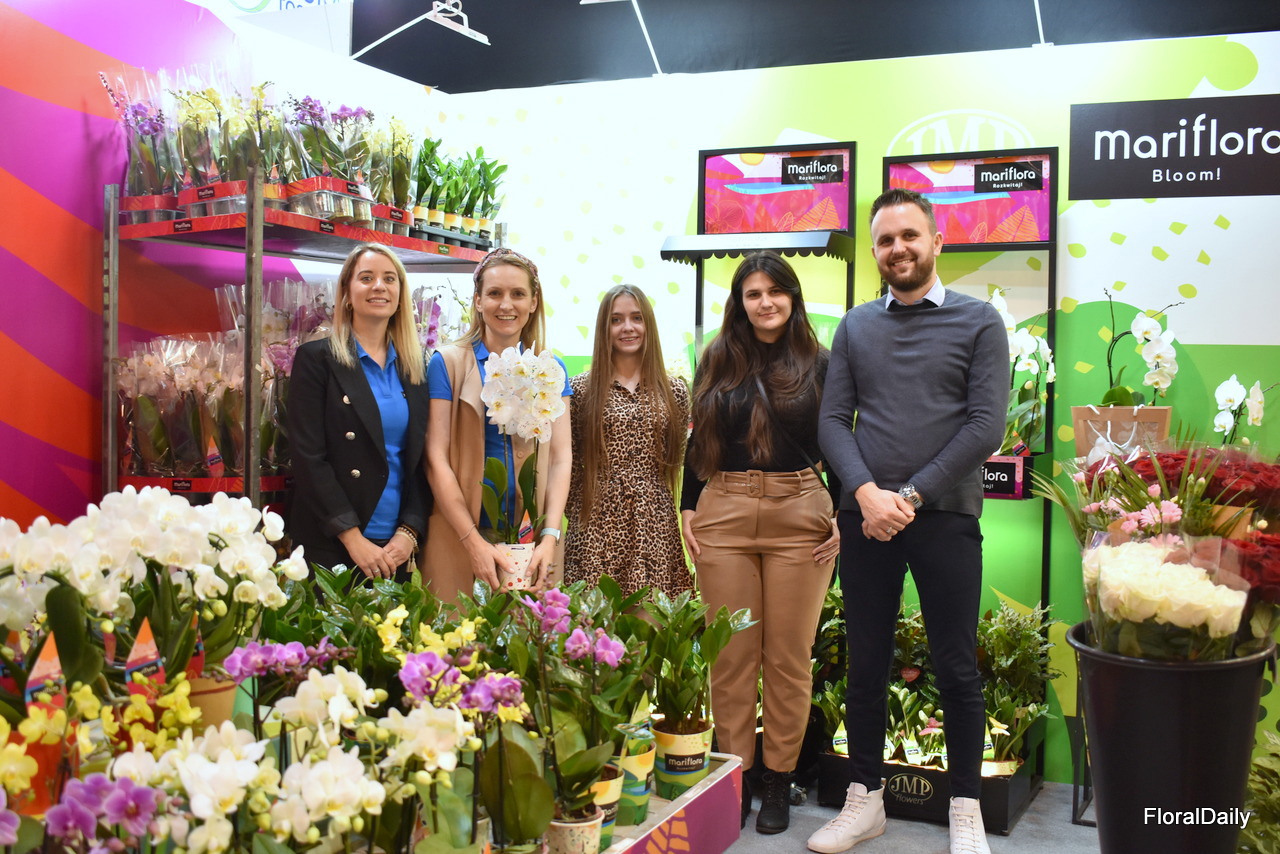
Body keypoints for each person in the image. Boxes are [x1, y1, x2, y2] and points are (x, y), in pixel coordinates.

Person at [810, 188, 1008, 854]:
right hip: (866, 519)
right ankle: (864, 800)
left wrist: (911, 496)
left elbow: (985, 426)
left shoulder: (980, 322)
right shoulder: (855, 326)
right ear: (875, 252)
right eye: (885, 240)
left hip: (945, 516)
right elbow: (833, 421)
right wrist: (867, 495)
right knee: (865, 662)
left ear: (936, 242)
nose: (898, 249)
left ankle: (965, 807)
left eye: (909, 236)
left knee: (955, 666)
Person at [680, 251, 840, 835]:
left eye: (776, 291)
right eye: (753, 293)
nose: (765, 302)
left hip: (800, 511)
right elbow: (701, 436)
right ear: (740, 302)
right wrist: (689, 503)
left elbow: (844, 438)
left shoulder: (821, 362)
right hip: (723, 510)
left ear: (792, 297)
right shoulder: (717, 357)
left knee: (789, 656)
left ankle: (778, 778)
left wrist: (845, 509)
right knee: (731, 655)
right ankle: (737, 774)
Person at [423, 248, 572, 603]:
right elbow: (435, 458)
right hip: (459, 534)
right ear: (478, 301)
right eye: (494, 293)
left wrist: (549, 537)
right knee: (458, 632)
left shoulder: (550, 369)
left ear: (533, 302)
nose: (506, 304)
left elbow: (560, 458)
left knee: (528, 635)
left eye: (518, 294)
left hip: (531, 541)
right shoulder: (448, 363)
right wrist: (472, 540)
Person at [288, 242, 430, 582]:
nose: (379, 286)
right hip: (333, 543)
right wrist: (351, 537)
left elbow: (423, 459)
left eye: (389, 279)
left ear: (400, 295)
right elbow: (308, 458)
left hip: (395, 548)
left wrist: (409, 530)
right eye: (366, 278)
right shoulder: (316, 360)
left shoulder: (416, 367)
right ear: (347, 293)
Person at [562, 284, 691, 597]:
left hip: (654, 521)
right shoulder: (580, 390)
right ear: (603, 328)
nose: (627, 327)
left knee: (652, 616)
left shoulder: (674, 391)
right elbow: (569, 462)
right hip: (595, 521)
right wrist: (580, 509)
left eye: (636, 318)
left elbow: (677, 459)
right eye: (616, 320)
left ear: (648, 324)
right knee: (595, 619)